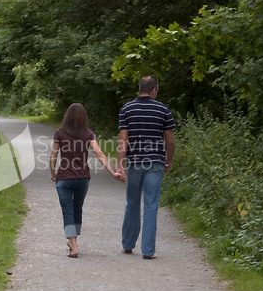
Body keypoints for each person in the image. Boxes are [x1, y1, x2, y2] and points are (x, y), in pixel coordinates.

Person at [50, 103, 123, 258]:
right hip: (82, 179)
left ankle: (74, 245)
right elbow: (99, 153)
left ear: (67, 117)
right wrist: (112, 172)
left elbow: (53, 156)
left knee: (67, 211)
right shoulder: (88, 134)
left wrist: (53, 173)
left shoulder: (60, 133)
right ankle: (72, 241)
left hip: (64, 179)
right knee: (77, 209)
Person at [116, 75, 175, 259]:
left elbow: (123, 139)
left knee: (132, 201)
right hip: (155, 162)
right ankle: (148, 251)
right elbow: (170, 140)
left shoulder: (127, 109)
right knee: (151, 204)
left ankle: (127, 244)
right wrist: (169, 160)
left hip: (134, 161)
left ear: (140, 89)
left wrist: (120, 165)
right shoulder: (163, 109)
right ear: (154, 90)